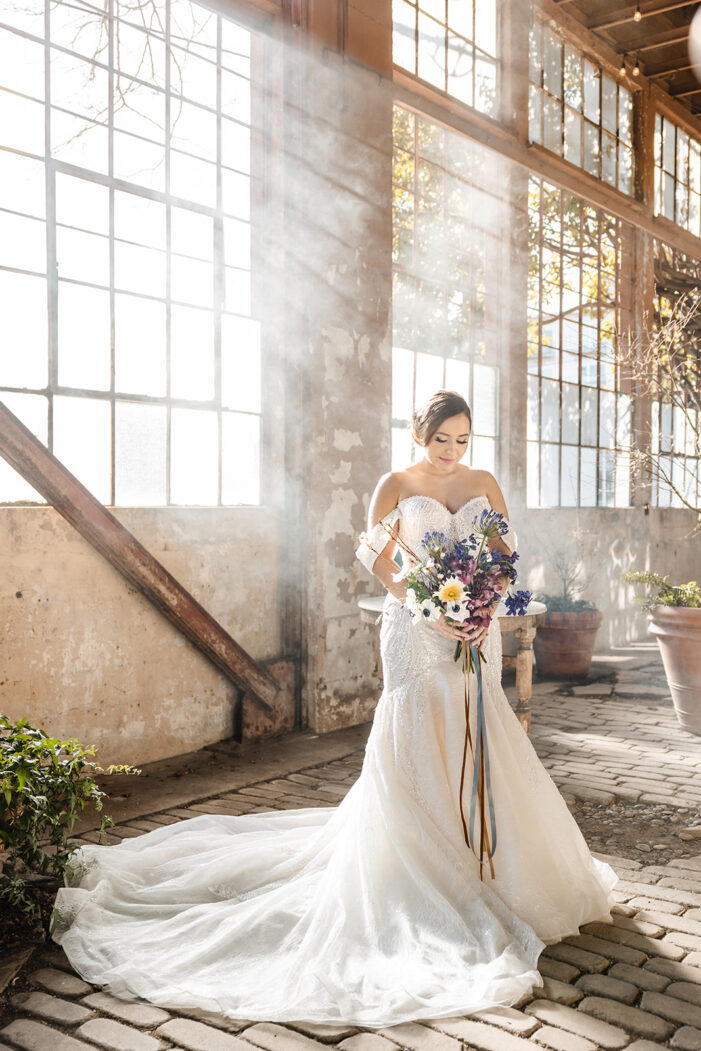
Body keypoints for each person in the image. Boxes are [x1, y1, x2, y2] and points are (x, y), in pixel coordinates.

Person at [50, 389, 617, 1028]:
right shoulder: (395, 483)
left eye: (462, 439)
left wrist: (482, 606)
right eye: (441, 440)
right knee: (416, 731)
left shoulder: (483, 481)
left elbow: (505, 558)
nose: (452, 452)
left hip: (474, 631)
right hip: (417, 627)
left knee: (476, 729)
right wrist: (430, 606)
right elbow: (372, 556)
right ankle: (420, 863)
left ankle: (483, 852)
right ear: (417, 434)